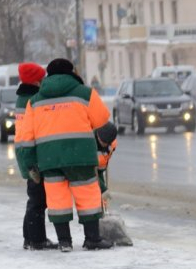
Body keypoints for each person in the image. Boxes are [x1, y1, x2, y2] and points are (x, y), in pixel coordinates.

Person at [14, 58, 118, 252]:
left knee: (57, 199)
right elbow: (102, 120)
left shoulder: (34, 101)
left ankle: (64, 242)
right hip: (81, 156)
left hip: (49, 159)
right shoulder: (85, 93)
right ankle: (92, 239)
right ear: (71, 73)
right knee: (87, 195)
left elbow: (26, 137)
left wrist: (30, 164)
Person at [12, 62, 58, 250]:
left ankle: (29, 238)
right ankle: (37, 240)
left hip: (26, 152)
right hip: (31, 154)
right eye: (41, 79)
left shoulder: (23, 98)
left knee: (35, 198)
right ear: (35, 81)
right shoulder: (31, 100)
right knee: (38, 200)